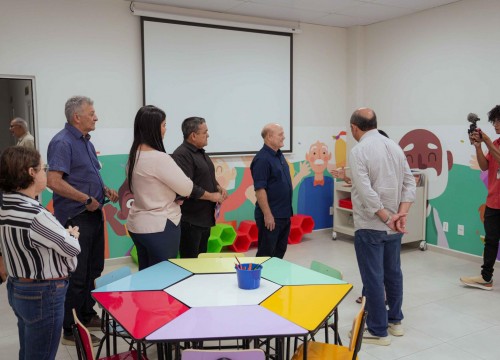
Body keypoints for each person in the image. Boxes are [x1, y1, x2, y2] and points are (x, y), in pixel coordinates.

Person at [47, 96, 118, 346]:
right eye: (92, 113)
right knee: (76, 274)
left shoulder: (85, 142)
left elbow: (85, 175)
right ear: (77, 117)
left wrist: (104, 189)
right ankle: (70, 329)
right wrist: (86, 198)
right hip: (76, 217)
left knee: (93, 269)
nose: (96, 117)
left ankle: (86, 315)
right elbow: (53, 181)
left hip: (92, 213)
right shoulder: (62, 142)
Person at [0, 146, 81, 360]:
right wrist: (71, 235)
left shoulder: (6, 205)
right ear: (31, 173)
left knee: (28, 350)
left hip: (18, 286)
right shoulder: (35, 214)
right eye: (43, 168)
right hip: (44, 292)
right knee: (42, 354)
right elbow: (71, 248)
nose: (45, 172)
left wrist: (60, 234)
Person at [348, 108, 415, 346]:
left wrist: (388, 218)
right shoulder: (395, 146)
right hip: (394, 224)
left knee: (374, 278)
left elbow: (366, 193)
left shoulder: (358, 151)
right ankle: (395, 320)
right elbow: (410, 182)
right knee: (393, 273)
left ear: (355, 128)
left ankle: (378, 330)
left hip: (371, 225)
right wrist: (401, 215)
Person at [126, 105, 194, 270]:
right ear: (153, 129)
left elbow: (142, 190)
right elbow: (187, 188)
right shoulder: (159, 158)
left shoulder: (134, 155)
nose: (165, 129)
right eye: (163, 125)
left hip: (137, 224)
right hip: (160, 225)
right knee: (163, 277)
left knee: (146, 274)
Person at [172, 117, 227, 258]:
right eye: (205, 132)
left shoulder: (200, 152)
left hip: (204, 219)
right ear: (193, 135)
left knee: (201, 260)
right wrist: (212, 196)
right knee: (190, 262)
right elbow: (187, 186)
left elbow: (206, 176)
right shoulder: (182, 154)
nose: (208, 135)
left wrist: (218, 187)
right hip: (191, 221)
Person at [461, 105, 500, 290]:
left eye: (498, 121)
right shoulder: (496, 143)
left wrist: (488, 142)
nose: (495, 125)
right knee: (491, 241)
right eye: (494, 121)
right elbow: (485, 166)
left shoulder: (494, 144)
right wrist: (478, 146)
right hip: (493, 200)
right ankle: (486, 278)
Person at [250, 123, 293, 259]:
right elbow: (260, 189)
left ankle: (274, 279)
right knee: (266, 255)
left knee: (279, 253)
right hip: (271, 217)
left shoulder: (279, 155)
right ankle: (259, 280)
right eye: (280, 134)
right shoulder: (262, 159)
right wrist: (268, 215)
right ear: (269, 136)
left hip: (284, 214)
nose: (284, 137)